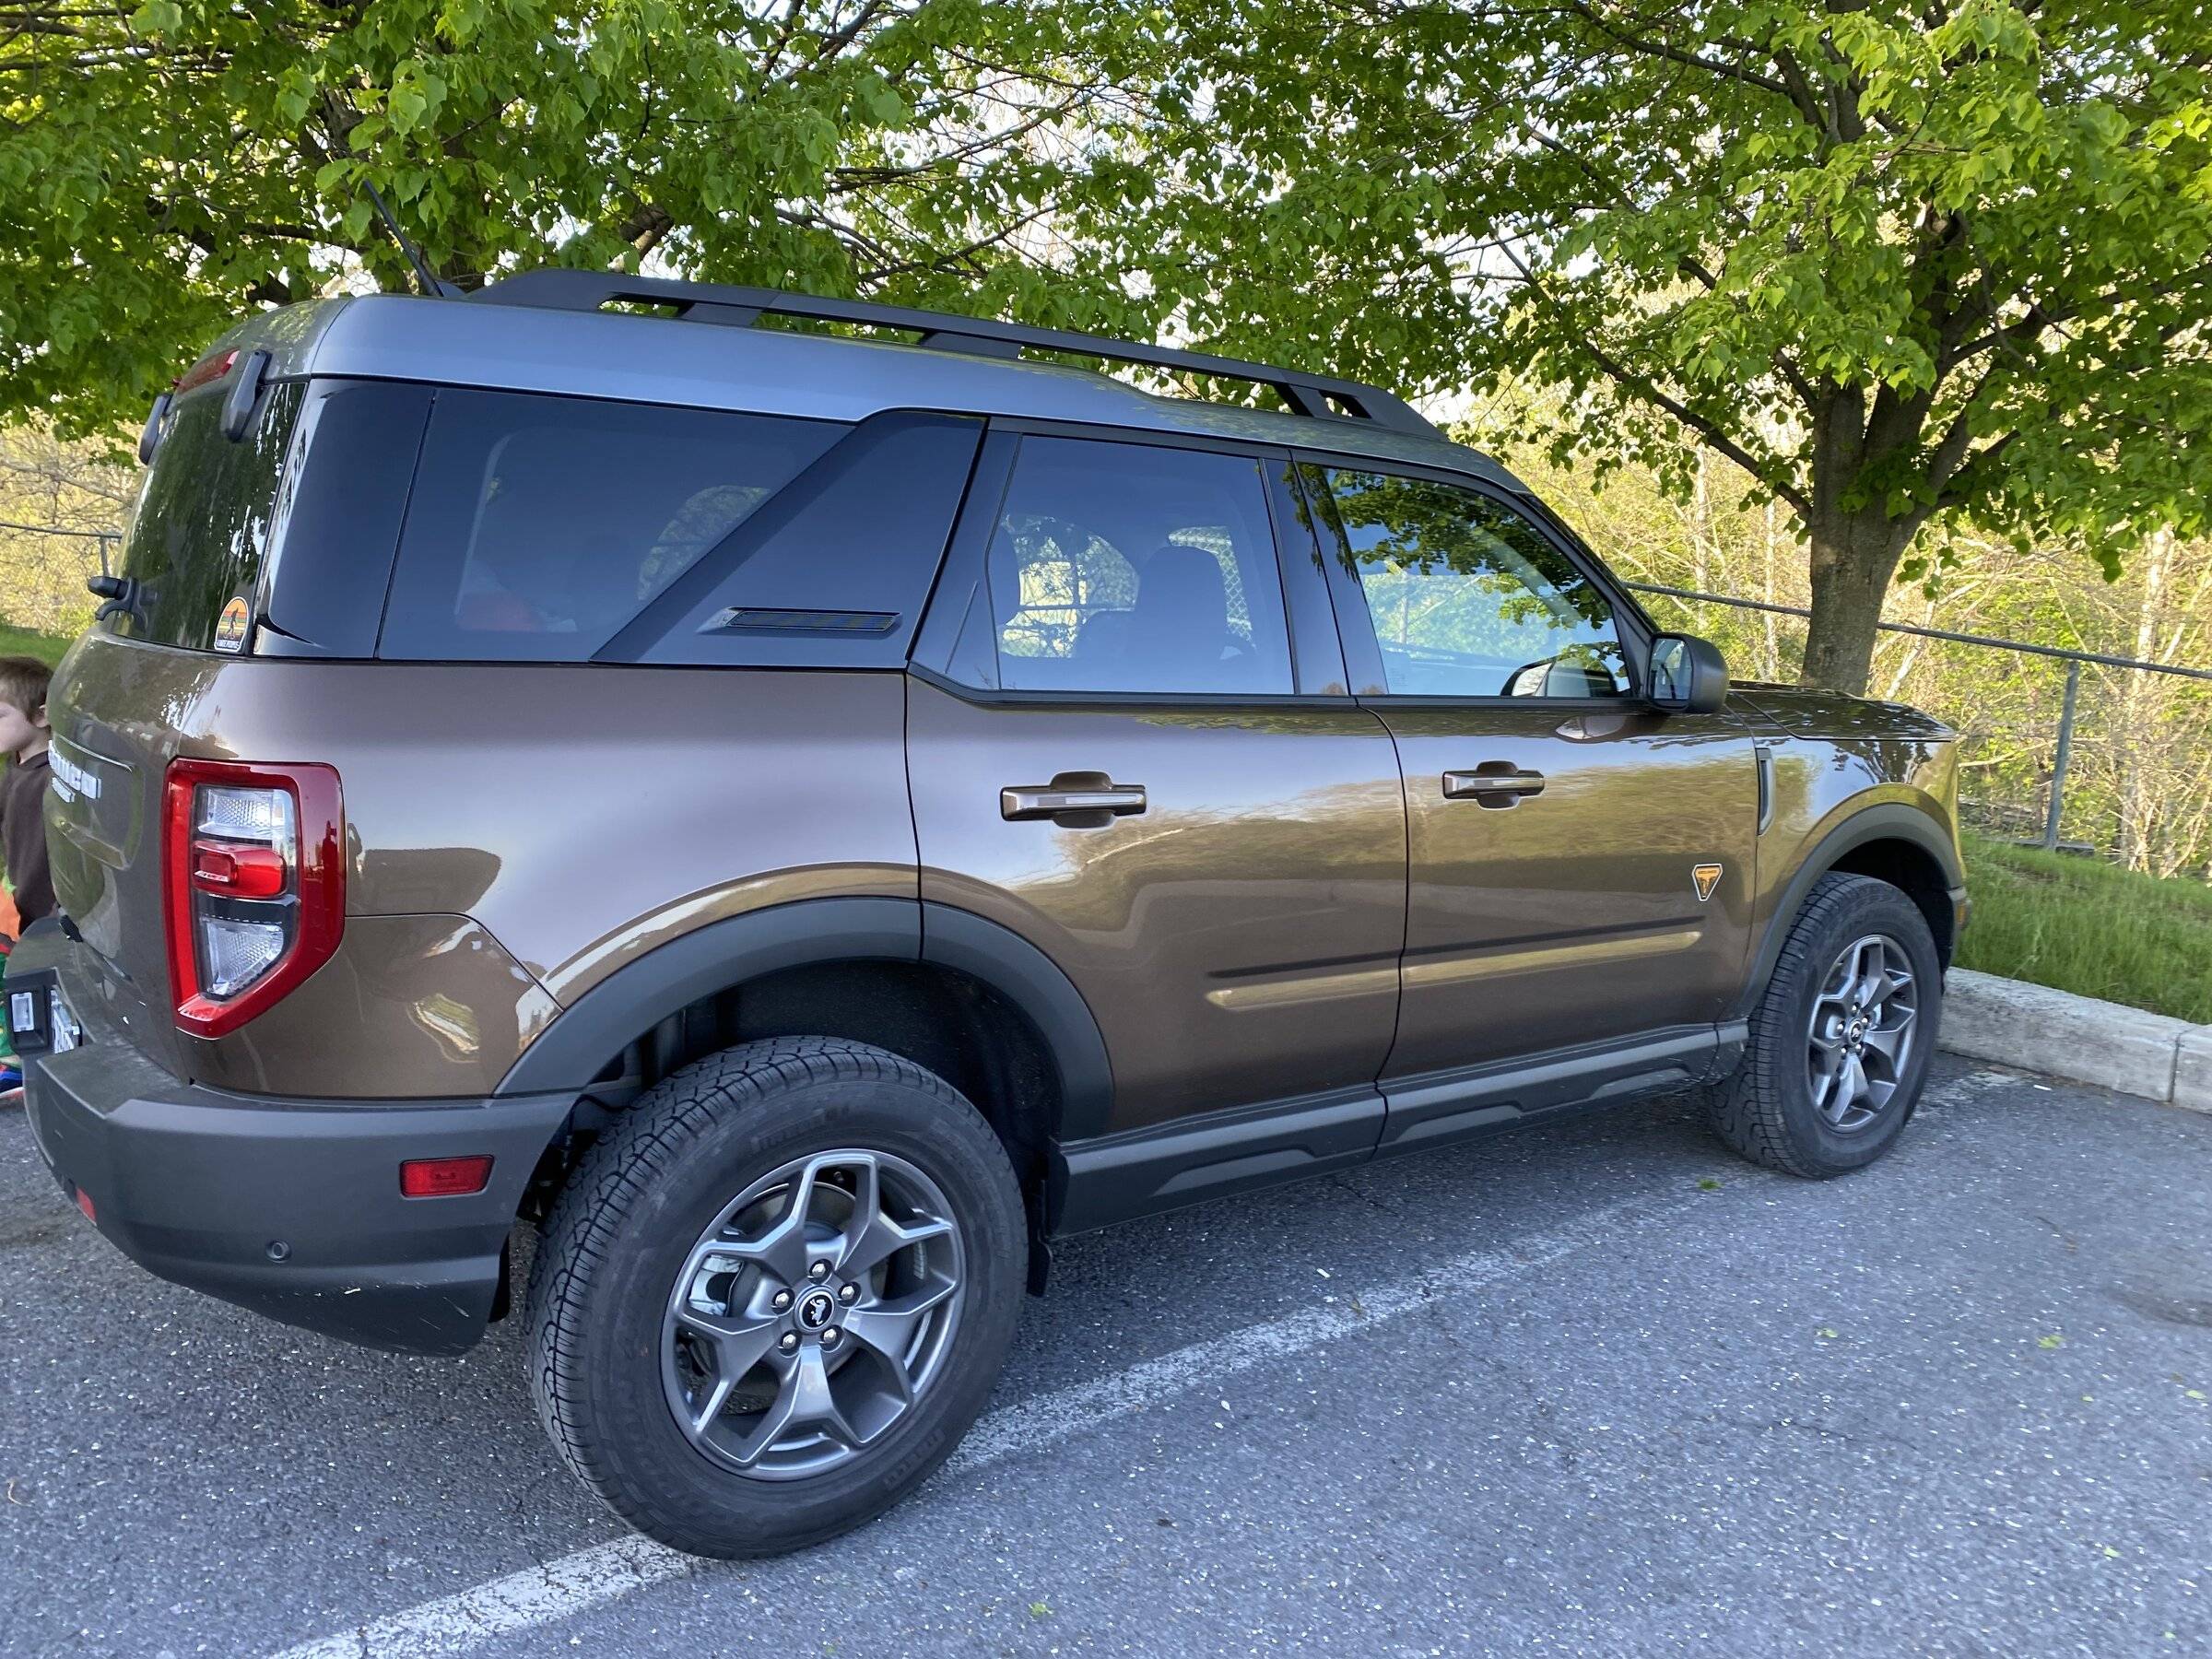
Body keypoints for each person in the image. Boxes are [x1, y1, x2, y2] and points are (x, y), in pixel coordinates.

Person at [0, 655, 53, 1105]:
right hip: (16, 902)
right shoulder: (15, 766)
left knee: (29, 987)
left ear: (41, 716)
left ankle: (22, 1066)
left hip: (41, 913)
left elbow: (49, 858)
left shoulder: (52, 779)